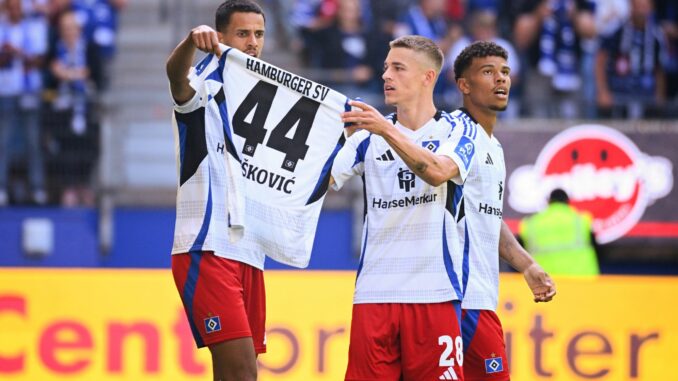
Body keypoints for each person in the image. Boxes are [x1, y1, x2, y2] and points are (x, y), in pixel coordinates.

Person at [333, 35, 468, 381]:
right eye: (385, 68)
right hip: (374, 295)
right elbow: (321, 183)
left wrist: (385, 131)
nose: (386, 76)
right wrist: (330, 138)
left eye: (398, 68)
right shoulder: (365, 135)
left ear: (428, 77)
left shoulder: (459, 129)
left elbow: (438, 172)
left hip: (434, 293)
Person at [165, 1, 266, 380]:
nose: (253, 43)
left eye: (258, 34)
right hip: (206, 246)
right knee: (239, 370)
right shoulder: (201, 83)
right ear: (220, 37)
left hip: (250, 251)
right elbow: (175, 77)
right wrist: (191, 42)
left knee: (244, 372)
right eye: (243, 34)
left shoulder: (266, 96)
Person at [450, 41, 556, 381]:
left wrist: (526, 264)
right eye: (488, 72)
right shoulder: (452, 132)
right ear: (463, 85)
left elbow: (486, 217)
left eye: (505, 72)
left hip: (479, 298)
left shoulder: (492, 145)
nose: (501, 79)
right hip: (458, 299)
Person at [519, 188, 600, 276]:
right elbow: (597, 248)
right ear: (567, 201)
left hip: (544, 281)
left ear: (549, 201)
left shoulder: (531, 223)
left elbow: (517, 253)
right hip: (581, 277)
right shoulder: (581, 220)